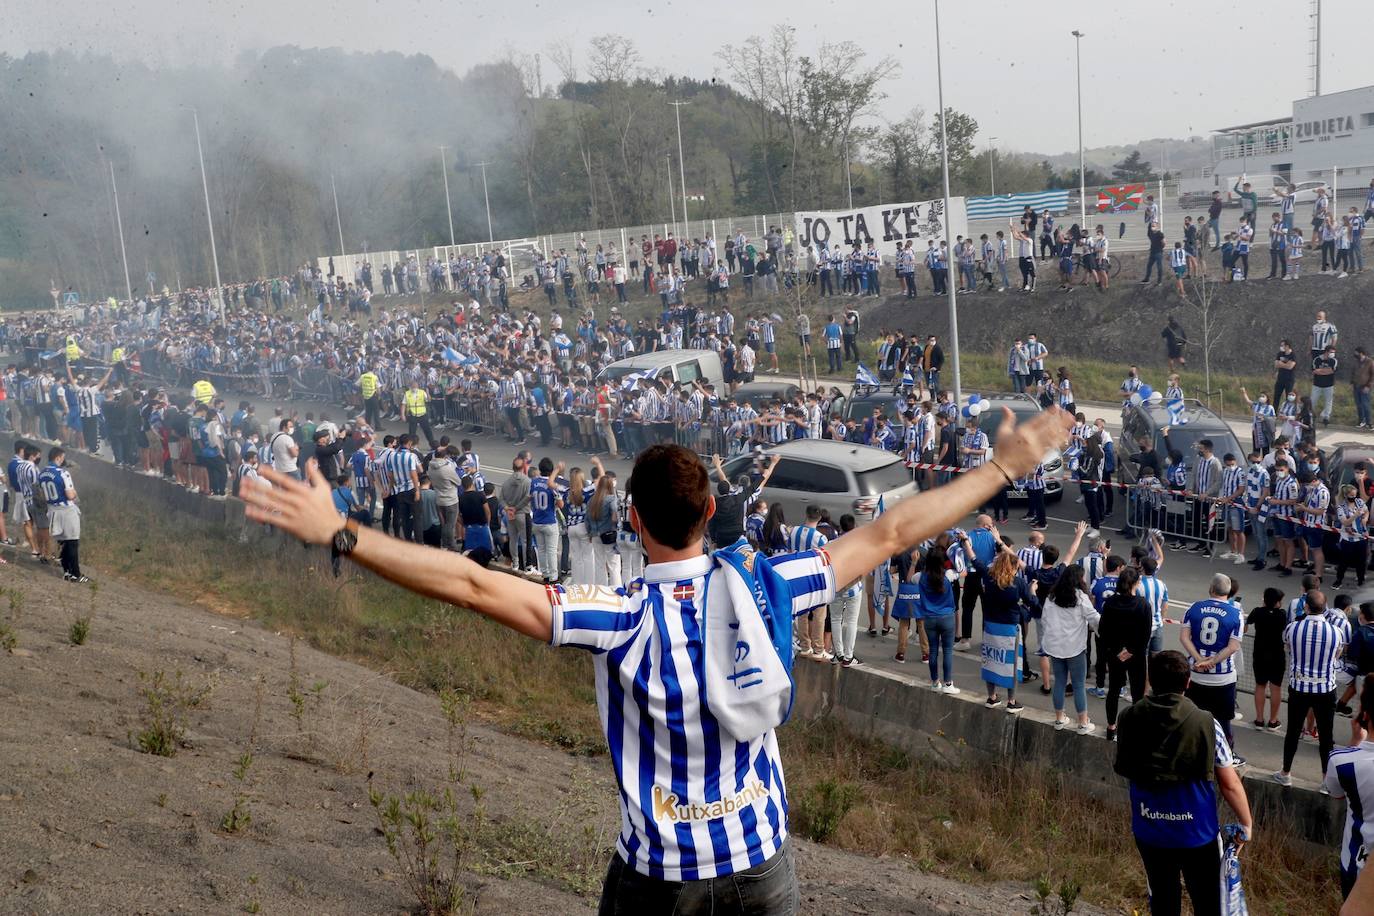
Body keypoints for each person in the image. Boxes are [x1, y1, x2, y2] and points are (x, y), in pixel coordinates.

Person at [241, 405, 1069, 914]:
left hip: (660, 876)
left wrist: (342, 533)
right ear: (711, 510)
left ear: (633, 520)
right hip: (761, 864)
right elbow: (894, 530)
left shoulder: (620, 615)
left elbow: (469, 584)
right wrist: (1004, 466)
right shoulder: (768, 586)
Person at [1114, 650, 1253, 916]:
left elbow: (1128, 766)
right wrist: (1246, 823)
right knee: (1208, 900)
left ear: (1151, 680)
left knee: (1163, 897)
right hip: (1197, 832)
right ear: (1188, 683)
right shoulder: (1206, 723)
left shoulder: (1129, 717)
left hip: (1150, 827)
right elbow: (1229, 782)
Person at [1274, 589, 1345, 788]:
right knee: (1326, 736)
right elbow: (1337, 655)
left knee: (1293, 732)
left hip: (1299, 688)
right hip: (1325, 689)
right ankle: (1326, 781)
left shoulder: (1292, 628)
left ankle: (1286, 772)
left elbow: (1287, 646)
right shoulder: (1336, 632)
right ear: (1325, 608)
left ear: (1306, 606)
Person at [1179, 573, 1246, 767]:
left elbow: (1184, 638)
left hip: (1196, 674)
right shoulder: (1235, 614)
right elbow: (1233, 647)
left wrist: (1200, 660)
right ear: (1229, 591)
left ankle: (1189, 750)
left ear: (1211, 589)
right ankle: (1227, 756)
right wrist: (1214, 661)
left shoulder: (1194, 608)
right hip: (1223, 677)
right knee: (1224, 719)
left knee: (1193, 715)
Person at [1327, 676, 1374, 899]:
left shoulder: (1341, 762)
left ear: (1364, 715)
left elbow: (1336, 795)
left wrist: (1355, 742)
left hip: (1356, 865)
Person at [1042, 563, 1100, 734]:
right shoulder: (1081, 598)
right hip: (1075, 648)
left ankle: (1059, 718)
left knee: (1059, 682)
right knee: (1079, 685)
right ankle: (1083, 722)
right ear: (1078, 579)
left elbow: (1045, 620)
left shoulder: (1052, 597)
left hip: (1055, 646)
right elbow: (1094, 618)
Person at [1099, 566, 1152, 740]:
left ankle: (1110, 726)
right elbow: (1145, 634)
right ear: (1137, 583)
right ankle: (1134, 729)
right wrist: (1131, 651)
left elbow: (1103, 631)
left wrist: (1115, 650)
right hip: (1135, 655)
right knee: (1137, 693)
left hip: (1114, 654)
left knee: (1113, 690)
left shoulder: (1110, 603)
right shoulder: (1143, 604)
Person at [37, 446, 87, 583]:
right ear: (58, 457)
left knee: (63, 542)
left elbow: (42, 494)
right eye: (63, 458)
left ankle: (67, 573)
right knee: (73, 542)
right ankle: (76, 574)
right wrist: (75, 492)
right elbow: (70, 495)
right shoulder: (63, 473)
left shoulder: (41, 474)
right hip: (66, 511)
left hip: (52, 511)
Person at [1247, 587, 1288, 731]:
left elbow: (1245, 627)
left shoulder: (1257, 612)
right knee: (1275, 688)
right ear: (1277, 602)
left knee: (1260, 686)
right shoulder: (1282, 615)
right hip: (1277, 656)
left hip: (1259, 655)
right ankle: (1273, 721)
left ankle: (1259, 720)